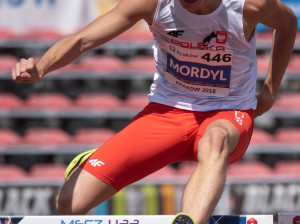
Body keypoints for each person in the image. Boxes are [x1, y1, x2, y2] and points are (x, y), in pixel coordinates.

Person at [11, 0, 297, 223]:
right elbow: (83, 39)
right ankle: (93, 159)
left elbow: (288, 23)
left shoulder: (249, 5)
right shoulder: (153, 3)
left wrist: (270, 91)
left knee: (216, 139)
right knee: (69, 205)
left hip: (227, 112)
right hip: (166, 112)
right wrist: (41, 67)